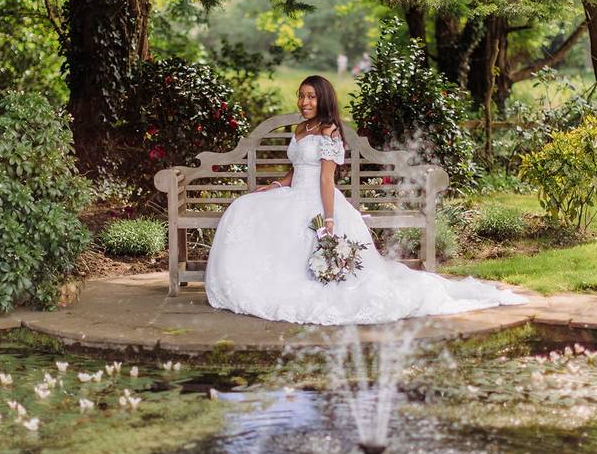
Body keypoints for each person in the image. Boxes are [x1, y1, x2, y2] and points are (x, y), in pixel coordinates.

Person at [204, 75, 526, 325]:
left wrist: (328, 220)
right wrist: (276, 184)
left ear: (323, 99)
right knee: (244, 208)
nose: (304, 101)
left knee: (295, 229)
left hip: (318, 199)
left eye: (311, 96)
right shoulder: (301, 128)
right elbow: (299, 167)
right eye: (301, 95)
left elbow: (326, 178)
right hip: (293, 192)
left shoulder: (330, 132)